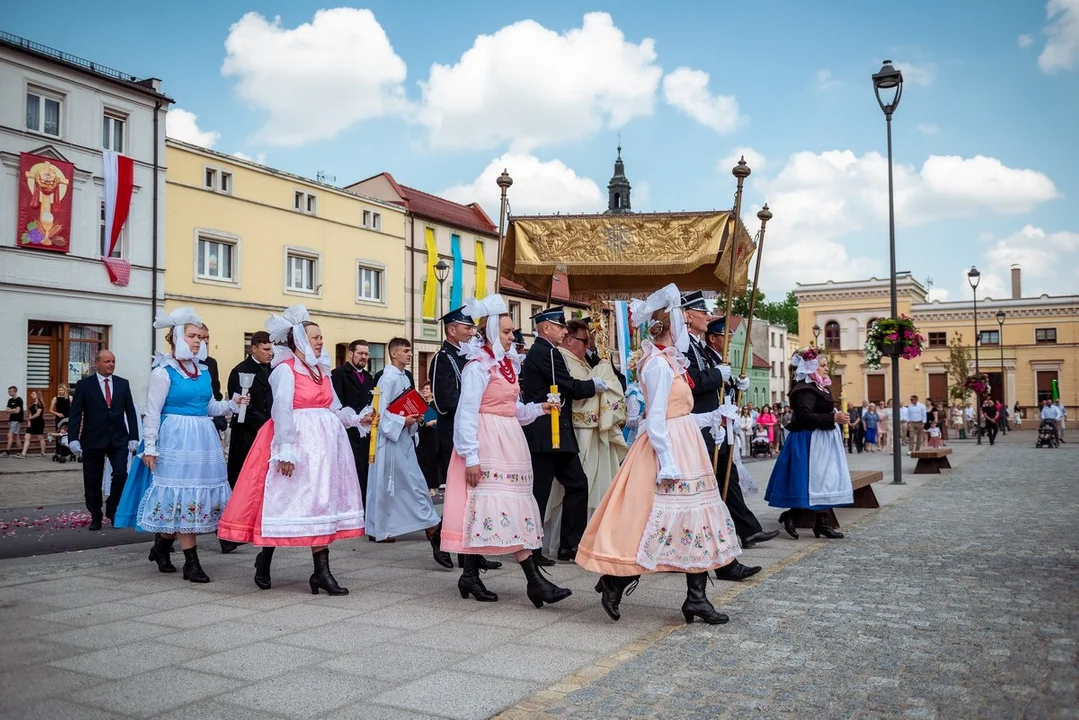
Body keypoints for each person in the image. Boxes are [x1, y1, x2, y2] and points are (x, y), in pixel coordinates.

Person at [577, 284, 741, 625]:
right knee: (650, 519)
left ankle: (696, 598)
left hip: (685, 442)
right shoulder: (657, 366)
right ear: (671, 326)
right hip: (665, 448)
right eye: (680, 321)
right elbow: (656, 419)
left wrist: (713, 417)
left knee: (693, 519)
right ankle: (615, 580)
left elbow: (677, 413)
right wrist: (667, 461)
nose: (684, 328)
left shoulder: (672, 363)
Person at [218, 306, 369, 594]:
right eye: (315, 337)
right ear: (298, 340)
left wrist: (356, 418)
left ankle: (321, 573)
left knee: (319, 505)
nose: (320, 341)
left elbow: (334, 407)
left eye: (321, 337)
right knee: (283, 503)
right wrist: (286, 450)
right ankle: (264, 559)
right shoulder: (284, 371)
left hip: (323, 449)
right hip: (296, 444)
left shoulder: (321, 371)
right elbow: (282, 411)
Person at [441, 294, 571, 607]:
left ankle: (471, 575)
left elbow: (512, 409)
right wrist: (471, 457)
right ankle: (533, 581)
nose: (513, 336)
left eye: (512, 331)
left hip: (508, 438)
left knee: (496, 507)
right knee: (489, 507)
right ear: (490, 333)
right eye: (507, 331)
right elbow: (466, 414)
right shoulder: (477, 368)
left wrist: (540, 408)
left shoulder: (506, 365)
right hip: (486, 441)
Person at [113, 308, 245, 582]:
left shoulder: (204, 370)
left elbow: (208, 406)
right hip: (174, 438)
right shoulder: (163, 372)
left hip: (202, 439)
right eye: (192, 336)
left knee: (190, 496)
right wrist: (150, 447)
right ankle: (191, 563)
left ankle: (161, 547)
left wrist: (232, 404)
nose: (198, 341)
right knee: (181, 497)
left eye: (200, 337)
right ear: (176, 338)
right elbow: (152, 411)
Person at [520, 306, 607, 565]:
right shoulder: (544, 352)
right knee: (539, 492)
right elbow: (567, 385)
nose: (563, 331)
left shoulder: (547, 351)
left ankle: (570, 545)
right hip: (546, 432)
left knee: (577, 484)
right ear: (546, 327)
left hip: (558, 433)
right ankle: (531, 548)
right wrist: (592, 385)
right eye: (559, 327)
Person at [366, 336, 454, 568]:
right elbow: (381, 412)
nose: (410, 354)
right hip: (391, 441)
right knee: (406, 482)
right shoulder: (387, 378)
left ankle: (387, 527)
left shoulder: (405, 376)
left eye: (410, 351)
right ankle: (428, 523)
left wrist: (415, 417)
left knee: (409, 481)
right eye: (405, 351)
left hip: (403, 438)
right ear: (394, 353)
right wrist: (403, 421)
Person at [542, 319, 628, 557]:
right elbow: (569, 390)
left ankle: (583, 537)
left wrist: (603, 368)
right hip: (577, 432)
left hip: (590, 431)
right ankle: (567, 541)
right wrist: (594, 385)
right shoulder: (560, 358)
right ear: (570, 340)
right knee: (576, 485)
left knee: (588, 485)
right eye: (584, 341)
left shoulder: (582, 361)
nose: (587, 346)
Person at [765, 347, 852, 540]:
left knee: (824, 480)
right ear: (810, 367)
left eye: (825, 365)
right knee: (812, 481)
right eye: (822, 365)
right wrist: (833, 416)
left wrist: (834, 417)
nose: (826, 369)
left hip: (821, 439)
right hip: (809, 440)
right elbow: (805, 416)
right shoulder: (804, 389)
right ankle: (792, 515)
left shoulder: (818, 386)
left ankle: (821, 523)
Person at [67, 351, 140, 530]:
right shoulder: (84, 385)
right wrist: (73, 438)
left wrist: (134, 436)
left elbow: (130, 410)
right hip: (93, 439)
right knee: (93, 478)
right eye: (107, 361)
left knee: (122, 473)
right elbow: (75, 413)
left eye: (113, 361)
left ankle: (113, 508)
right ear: (96, 363)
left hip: (118, 438)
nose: (111, 364)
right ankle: (96, 515)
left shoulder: (122, 384)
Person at [219, 330, 274, 553]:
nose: (271, 353)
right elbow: (241, 405)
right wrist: (268, 423)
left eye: (272, 349)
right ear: (254, 348)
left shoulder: (277, 369)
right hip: (248, 433)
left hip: (270, 431)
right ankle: (229, 534)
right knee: (241, 480)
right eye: (266, 349)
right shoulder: (240, 371)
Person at [331, 339, 377, 502]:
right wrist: (355, 418)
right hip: (347, 432)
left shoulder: (369, 377)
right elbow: (337, 404)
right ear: (351, 354)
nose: (364, 357)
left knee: (366, 473)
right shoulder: (338, 374)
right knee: (351, 473)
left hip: (365, 434)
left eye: (366, 354)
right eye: (360, 353)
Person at [417, 381, 442, 494]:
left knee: (432, 460)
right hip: (423, 435)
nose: (425, 390)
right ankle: (424, 485)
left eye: (428, 389)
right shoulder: (422, 404)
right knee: (422, 459)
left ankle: (432, 486)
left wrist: (434, 421)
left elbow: (442, 419)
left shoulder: (436, 404)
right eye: (424, 388)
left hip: (433, 435)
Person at [4, 386, 24, 457]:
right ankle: (20, 451)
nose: (9, 393)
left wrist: (11, 410)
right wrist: (13, 410)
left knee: (10, 435)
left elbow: (18, 411)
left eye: (11, 391)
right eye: (9, 391)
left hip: (17, 420)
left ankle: (7, 452)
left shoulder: (19, 400)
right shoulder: (10, 400)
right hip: (11, 419)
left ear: (15, 391)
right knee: (16, 436)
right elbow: (6, 410)